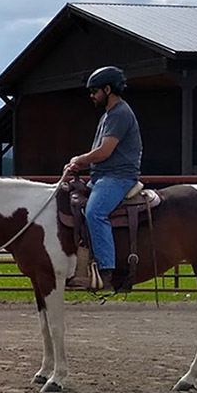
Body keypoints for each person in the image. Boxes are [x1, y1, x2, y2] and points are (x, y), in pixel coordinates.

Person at [64, 65, 143, 292]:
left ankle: (107, 272)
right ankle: (79, 267)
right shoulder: (110, 115)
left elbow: (105, 151)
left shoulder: (119, 114)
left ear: (107, 90)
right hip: (103, 175)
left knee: (95, 212)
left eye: (94, 91)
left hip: (118, 176)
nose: (92, 96)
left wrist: (79, 160)